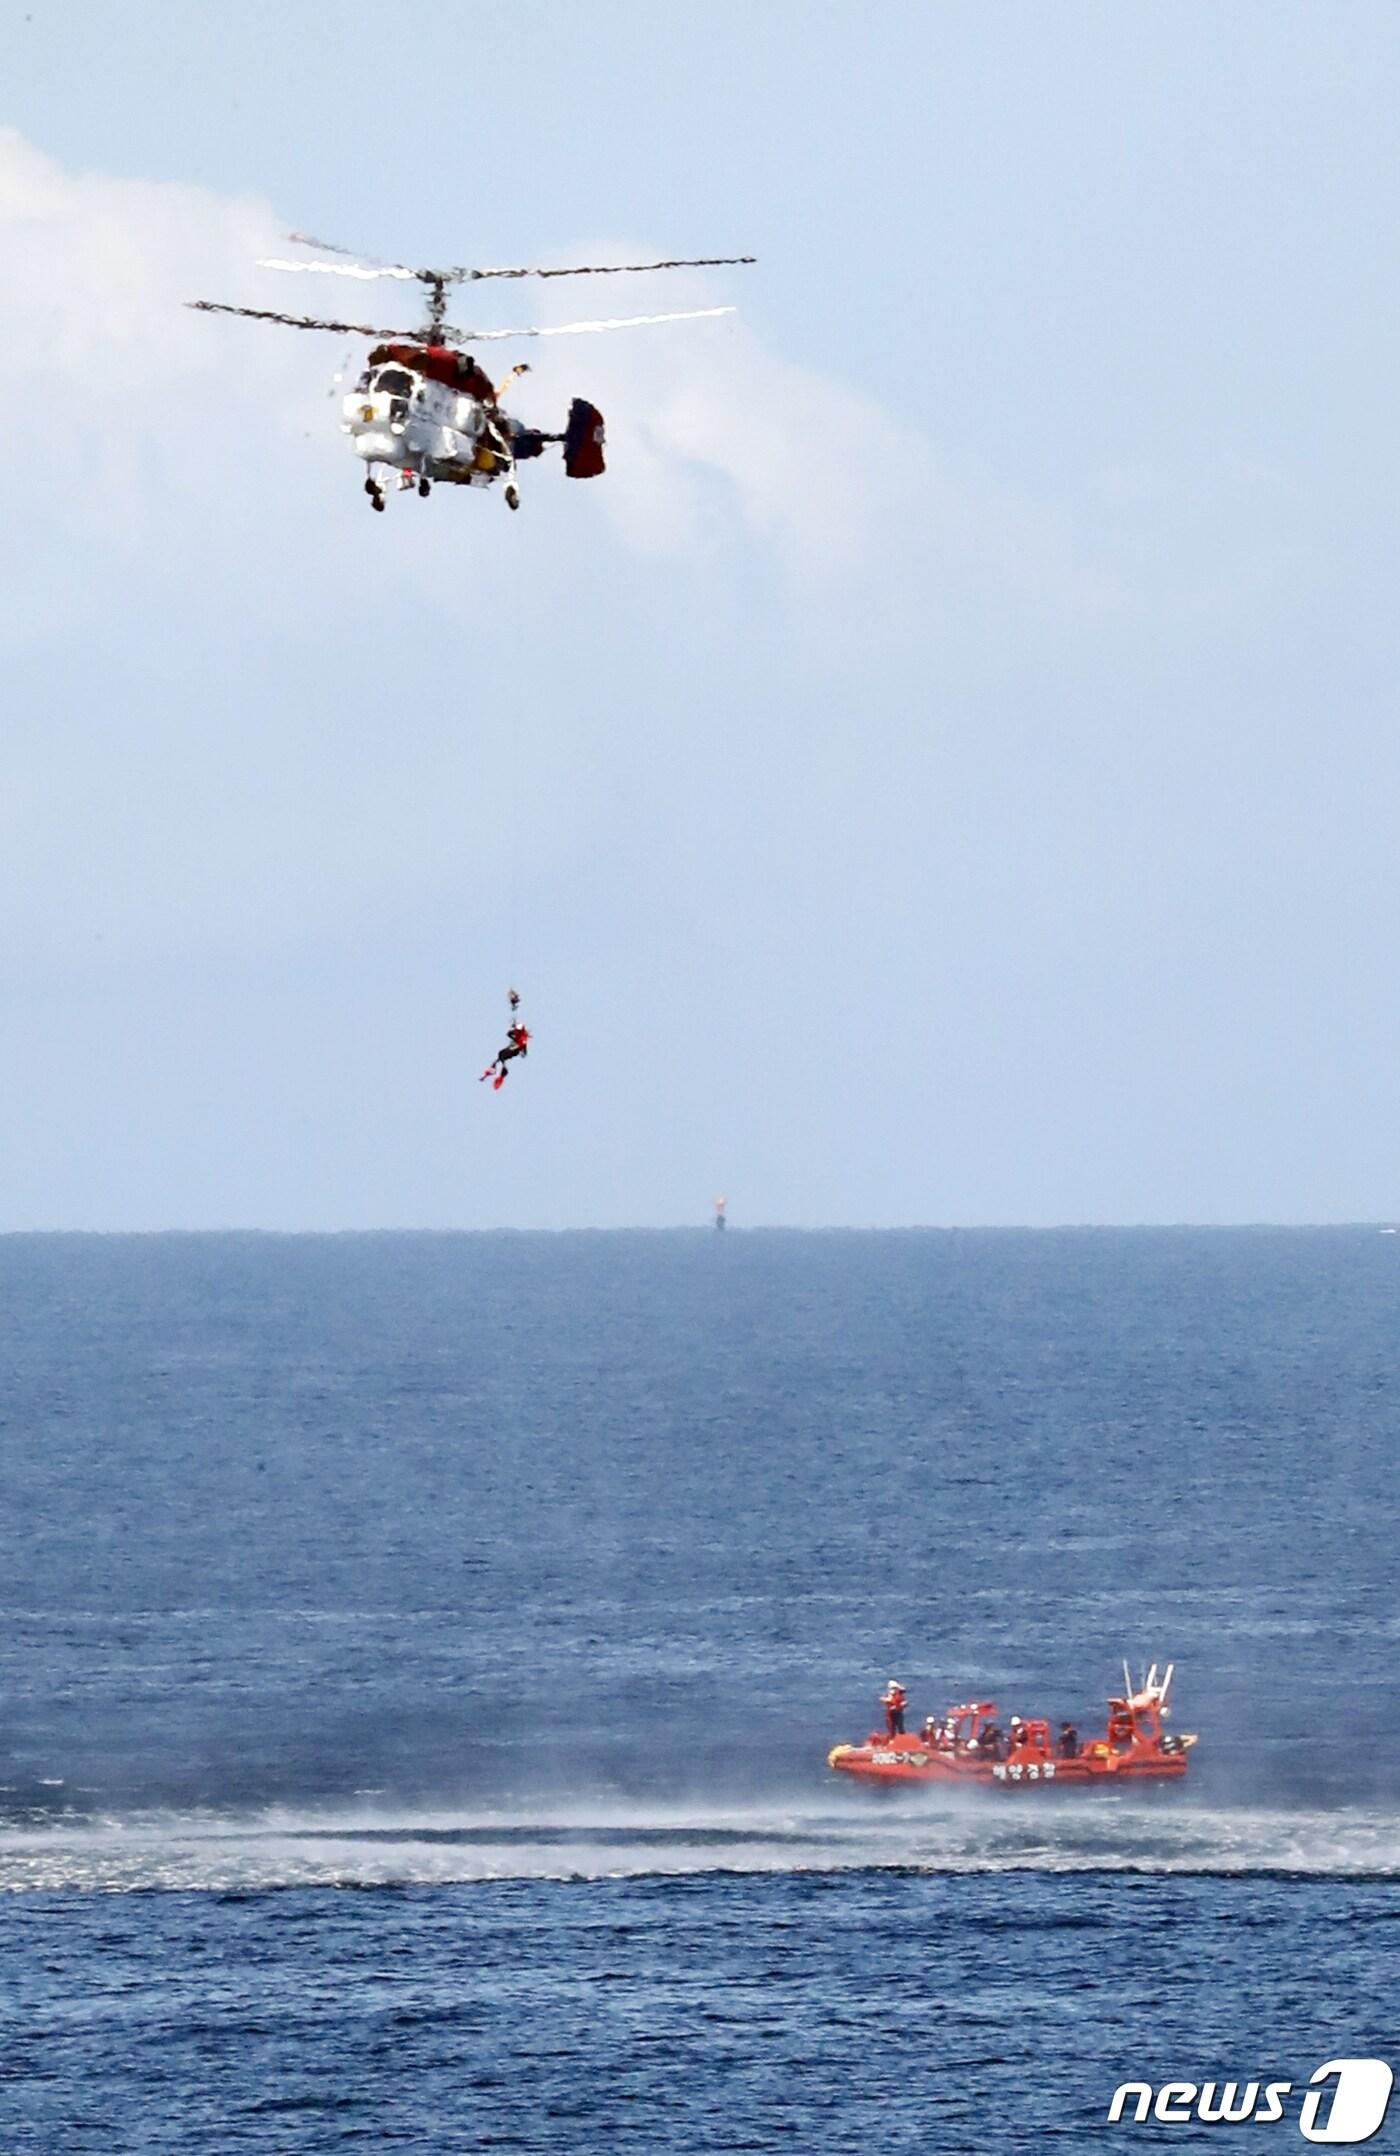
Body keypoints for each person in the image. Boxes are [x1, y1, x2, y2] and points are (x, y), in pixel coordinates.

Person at [481, 1019, 531, 1091]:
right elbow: (509, 1034)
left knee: (502, 1055)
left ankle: (499, 1072)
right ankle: (493, 1071)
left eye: (517, 1030)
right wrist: (512, 1030)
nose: (516, 1031)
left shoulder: (523, 1038)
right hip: (512, 1048)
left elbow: (522, 1045)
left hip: (514, 1050)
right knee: (500, 1055)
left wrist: (523, 1050)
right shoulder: (518, 1032)